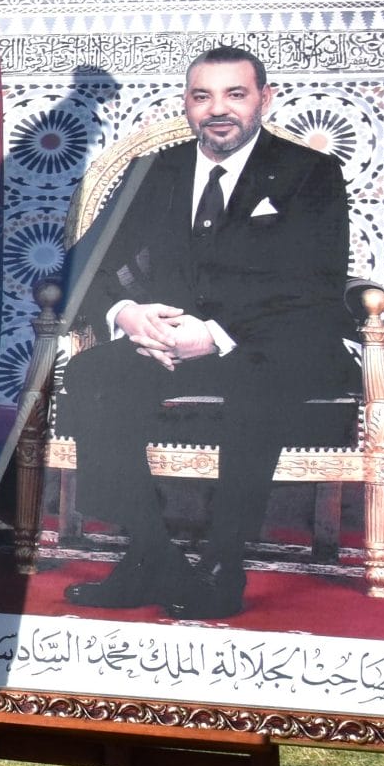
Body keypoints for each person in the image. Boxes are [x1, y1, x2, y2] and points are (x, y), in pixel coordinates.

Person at [54, 46, 357, 620]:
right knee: (94, 372)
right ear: (187, 106)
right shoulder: (153, 172)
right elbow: (81, 267)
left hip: (273, 343)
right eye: (203, 96)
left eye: (235, 94)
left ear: (263, 100)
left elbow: (313, 287)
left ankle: (224, 563)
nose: (218, 110)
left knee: (255, 378)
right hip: (169, 342)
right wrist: (126, 315)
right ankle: (149, 554)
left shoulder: (309, 174)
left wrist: (214, 334)